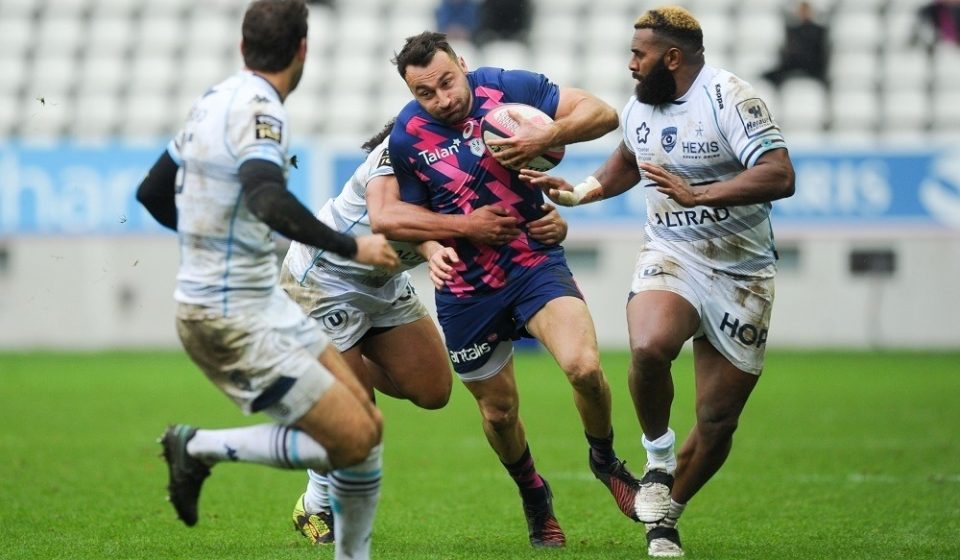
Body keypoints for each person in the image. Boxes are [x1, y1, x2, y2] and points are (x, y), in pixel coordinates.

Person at [522, 6, 796, 557]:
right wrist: (578, 193)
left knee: (717, 421)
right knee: (649, 346)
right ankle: (657, 457)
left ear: (672, 58)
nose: (629, 64)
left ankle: (665, 517)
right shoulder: (641, 107)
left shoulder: (729, 98)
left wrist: (702, 194)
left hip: (742, 272)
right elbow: (629, 158)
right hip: (673, 252)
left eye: (638, 55)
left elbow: (779, 174)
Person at [134, 2, 399, 559]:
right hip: (229, 319)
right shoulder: (263, 113)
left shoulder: (213, 100)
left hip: (261, 306)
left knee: (365, 430)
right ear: (304, 49)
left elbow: (153, 193)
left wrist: (212, 245)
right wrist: (354, 245)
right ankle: (198, 447)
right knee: (349, 439)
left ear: (242, 47)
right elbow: (266, 195)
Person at [377, 31, 641, 549]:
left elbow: (606, 114)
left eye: (447, 83)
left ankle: (605, 458)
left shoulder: (506, 89)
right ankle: (534, 495)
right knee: (498, 412)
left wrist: (548, 135)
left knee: (584, 368)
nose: (442, 99)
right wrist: (436, 249)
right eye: (425, 93)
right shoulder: (408, 137)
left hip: (532, 260)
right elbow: (406, 218)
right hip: (468, 286)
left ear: (462, 64)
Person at [281, 118, 570, 544]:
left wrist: (556, 223)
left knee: (433, 391)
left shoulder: (458, 165)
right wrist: (454, 236)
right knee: (356, 414)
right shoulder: (393, 158)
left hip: (383, 281)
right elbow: (390, 221)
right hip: (325, 278)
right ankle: (315, 502)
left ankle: (334, 362)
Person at [761, 1, 829, 87]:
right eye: (801, 11)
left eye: (805, 11)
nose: (803, 13)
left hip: (811, 65)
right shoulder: (793, 30)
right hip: (794, 63)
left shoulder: (819, 30)